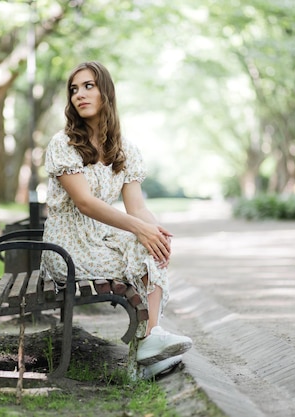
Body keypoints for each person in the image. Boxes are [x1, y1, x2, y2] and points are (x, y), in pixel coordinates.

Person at [40, 61, 192, 379]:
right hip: (68, 247)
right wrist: (139, 228)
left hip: (101, 238)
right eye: (74, 89)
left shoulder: (124, 150)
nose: (79, 94)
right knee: (141, 242)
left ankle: (150, 341)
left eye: (88, 86)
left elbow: (136, 208)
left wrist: (155, 231)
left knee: (151, 247)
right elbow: (84, 203)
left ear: (106, 93)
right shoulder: (64, 144)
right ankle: (149, 347)